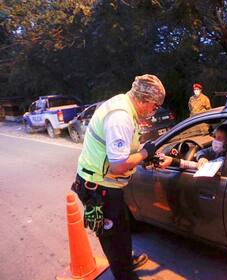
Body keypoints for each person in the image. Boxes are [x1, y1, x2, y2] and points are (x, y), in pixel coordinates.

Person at [71, 74, 165, 280]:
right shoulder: (120, 117)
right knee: (113, 237)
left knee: (122, 228)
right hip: (99, 186)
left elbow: (121, 152)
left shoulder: (125, 106)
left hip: (106, 184)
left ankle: (125, 260)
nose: (154, 111)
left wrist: (142, 155)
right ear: (143, 100)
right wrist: (144, 154)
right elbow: (118, 166)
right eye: (155, 106)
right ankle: (124, 273)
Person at [159, 123, 227, 170]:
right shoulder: (220, 150)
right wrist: (201, 158)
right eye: (215, 137)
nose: (214, 141)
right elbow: (202, 151)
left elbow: (204, 167)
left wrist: (174, 161)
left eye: (219, 138)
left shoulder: (226, 159)